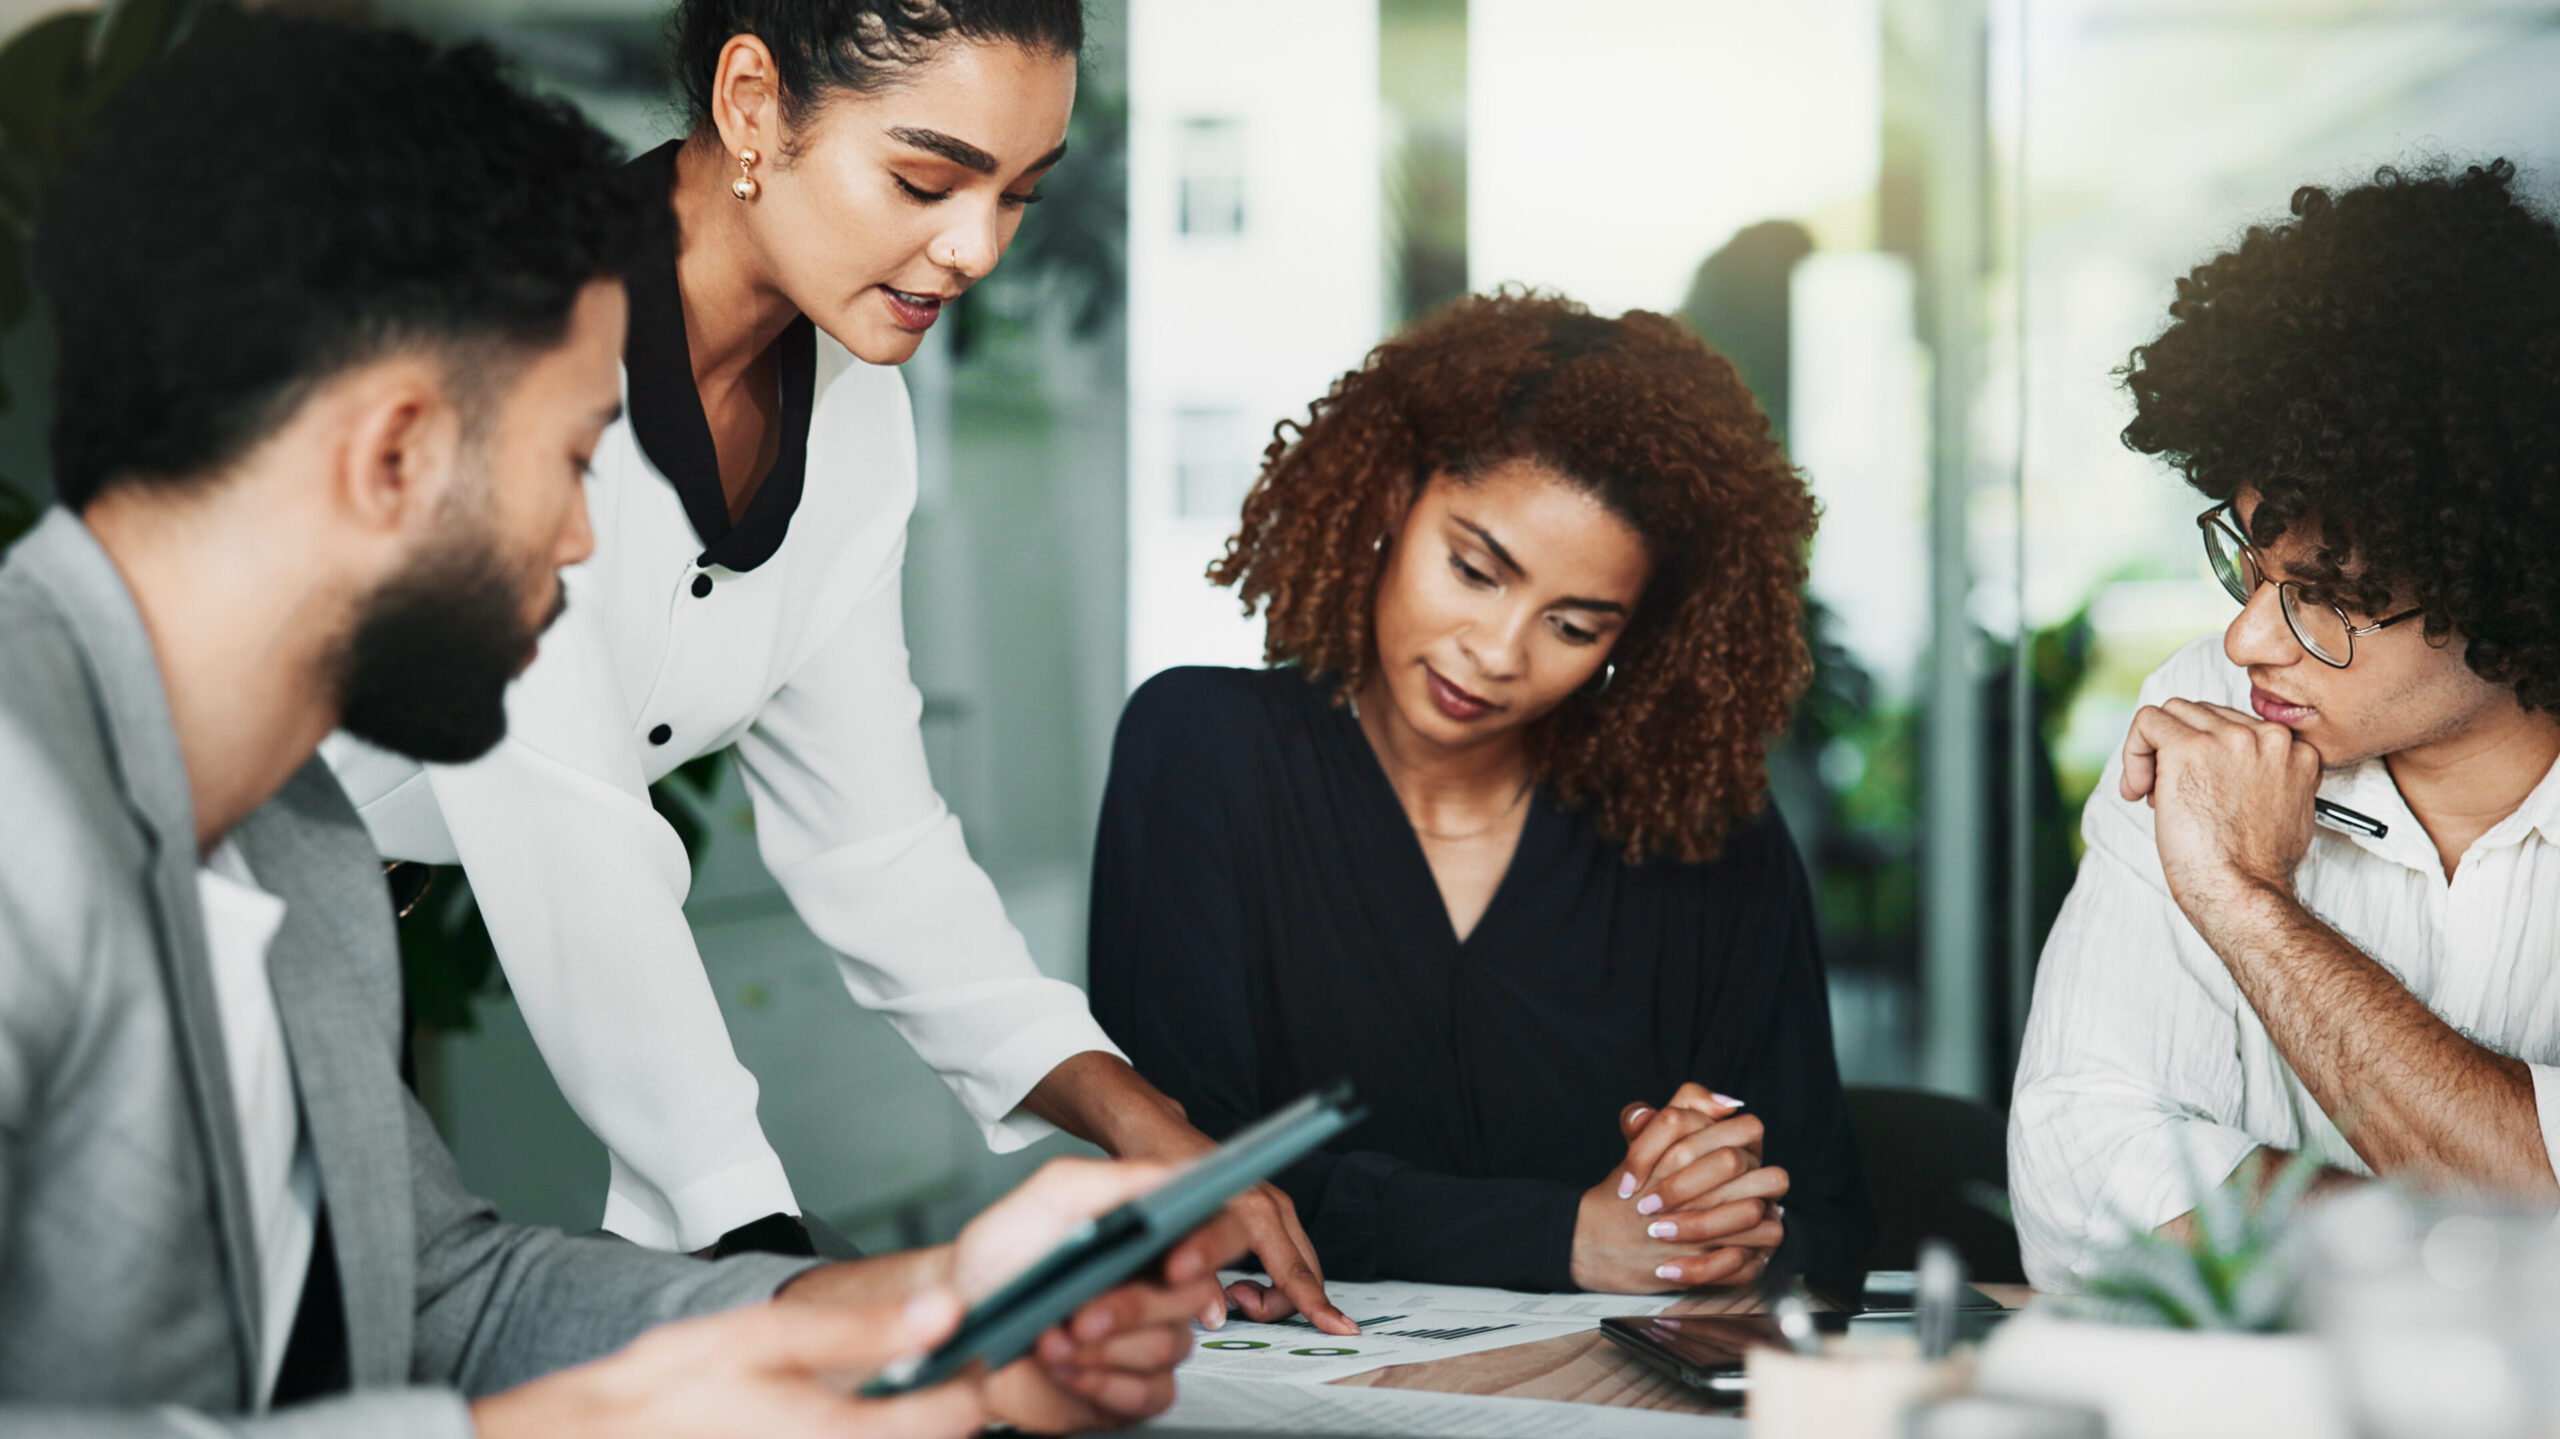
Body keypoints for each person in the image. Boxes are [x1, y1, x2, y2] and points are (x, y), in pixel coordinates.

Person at [0, 16, 1233, 1434]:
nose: (594, 537)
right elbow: (579, 838)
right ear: (392, 449)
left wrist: (919, 1314)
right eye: (577, 459)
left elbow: (451, 1293)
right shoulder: (29, 826)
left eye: (1016, 194)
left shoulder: (303, 863)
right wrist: (627, 1375)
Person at [318, 0, 1345, 1327]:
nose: (975, 246)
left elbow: (877, 843)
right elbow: (572, 834)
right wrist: (756, 1243)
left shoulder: (859, 419)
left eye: (1019, 195)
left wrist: (1144, 1124)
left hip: (348, 935)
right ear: (752, 105)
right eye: (926, 179)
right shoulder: (514, 327)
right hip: (170, 893)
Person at [1087, 292, 1876, 1298]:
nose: (1496, 653)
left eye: (1575, 626)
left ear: (1638, 638)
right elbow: (1199, 1183)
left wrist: (1718, 1206)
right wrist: (1564, 1236)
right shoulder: (1204, 753)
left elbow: (1827, 1222)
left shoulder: (1710, 844)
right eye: (1473, 569)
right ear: (1390, 496)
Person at [2010, 159, 2560, 1291]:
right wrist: (2494, 1261)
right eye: (2250, 566)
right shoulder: (2212, 711)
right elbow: (2076, 1172)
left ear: (2507, 581)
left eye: (2327, 596)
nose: (2252, 638)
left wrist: (2249, 908)